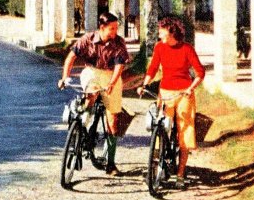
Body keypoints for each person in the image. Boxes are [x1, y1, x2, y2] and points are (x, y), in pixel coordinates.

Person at [58, 12, 130, 177]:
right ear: (102, 28)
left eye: (116, 28)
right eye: (111, 28)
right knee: (90, 95)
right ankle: (82, 126)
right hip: (91, 72)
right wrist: (64, 77)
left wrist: (112, 83)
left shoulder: (118, 42)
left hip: (111, 76)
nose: (114, 32)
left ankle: (110, 163)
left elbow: (119, 66)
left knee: (113, 120)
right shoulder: (88, 39)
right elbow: (71, 57)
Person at [137, 16, 205, 189]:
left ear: (171, 32)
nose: (159, 33)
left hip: (183, 93)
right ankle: (155, 167)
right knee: (160, 127)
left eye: (162, 30)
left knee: (184, 131)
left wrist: (191, 87)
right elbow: (152, 68)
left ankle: (181, 174)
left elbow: (199, 72)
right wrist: (144, 84)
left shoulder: (187, 49)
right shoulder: (160, 47)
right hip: (165, 92)